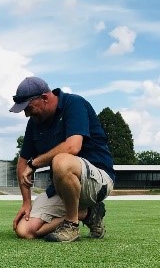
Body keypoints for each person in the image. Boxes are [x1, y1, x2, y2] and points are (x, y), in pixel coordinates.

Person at [10, 76, 116, 242]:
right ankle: (87, 213)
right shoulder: (34, 122)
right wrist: (26, 202)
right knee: (25, 231)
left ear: (44, 98)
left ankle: (71, 225)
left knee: (61, 161)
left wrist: (35, 163)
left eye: (28, 108)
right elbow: (22, 163)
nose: (26, 114)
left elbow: (73, 147)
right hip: (63, 187)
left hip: (98, 180)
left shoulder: (74, 104)